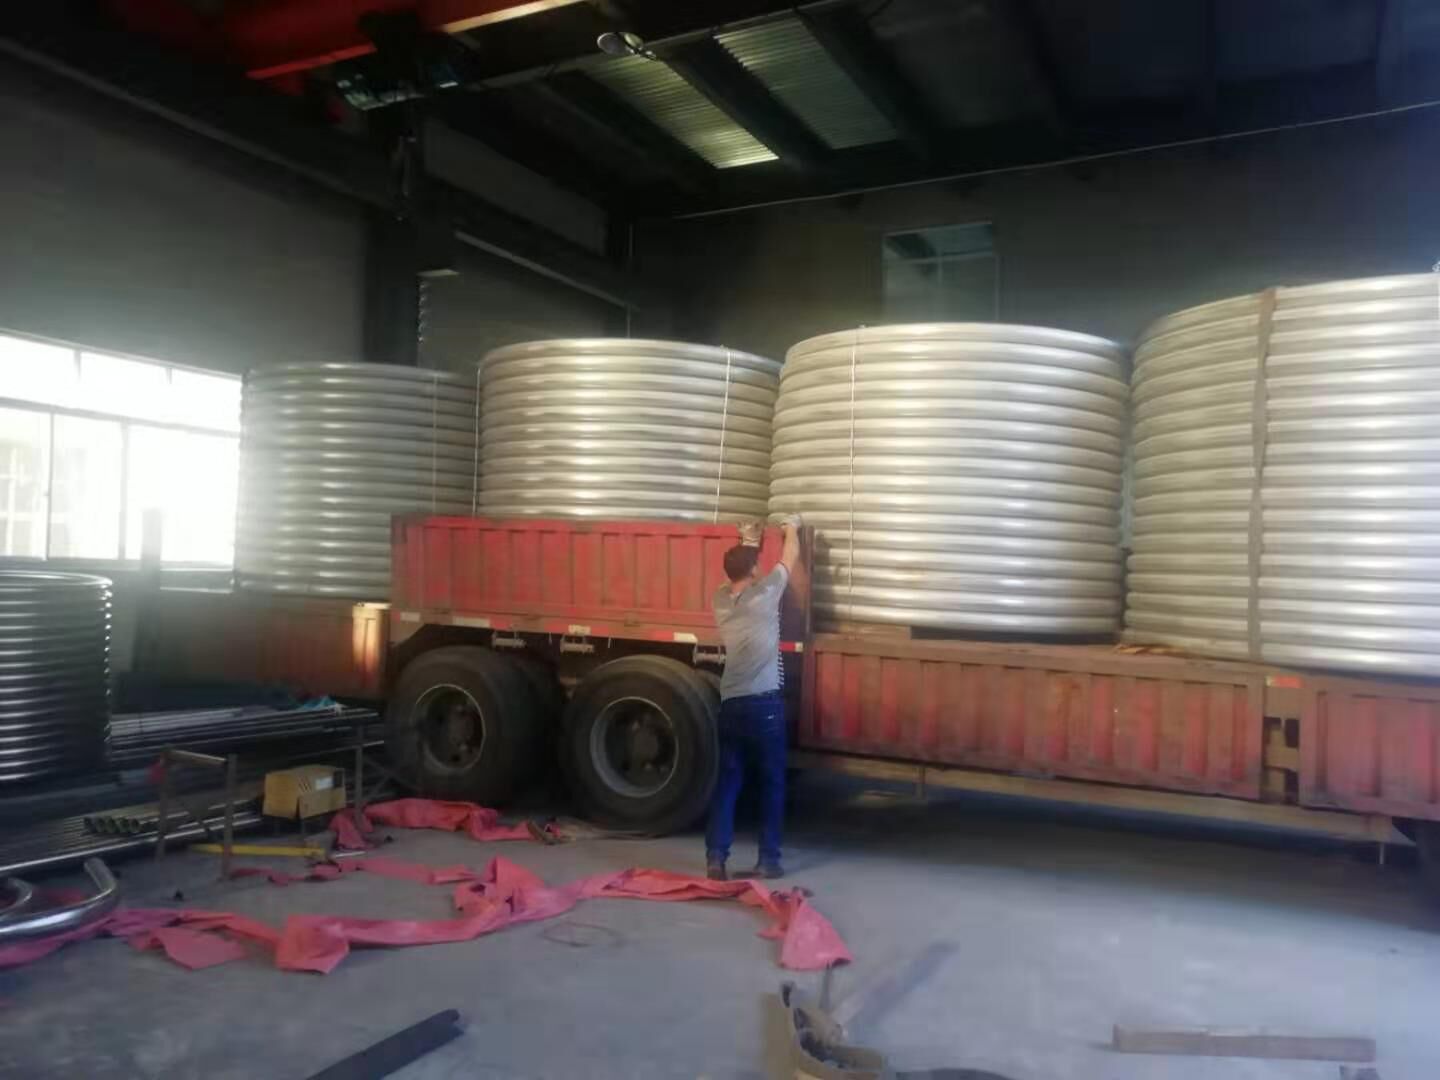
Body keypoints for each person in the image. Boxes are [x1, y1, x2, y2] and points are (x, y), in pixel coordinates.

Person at [705, 515, 802, 881]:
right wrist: (792, 527)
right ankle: (768, 860)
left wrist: (749, 541)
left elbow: (740, 575)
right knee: (772, 783)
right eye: (756, 563)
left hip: (731, 704)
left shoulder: (720, 600)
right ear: (753, 570)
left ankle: (716, 858)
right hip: (764, 706)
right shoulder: (765, 594)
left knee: (728, 782)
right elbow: (789, 558)